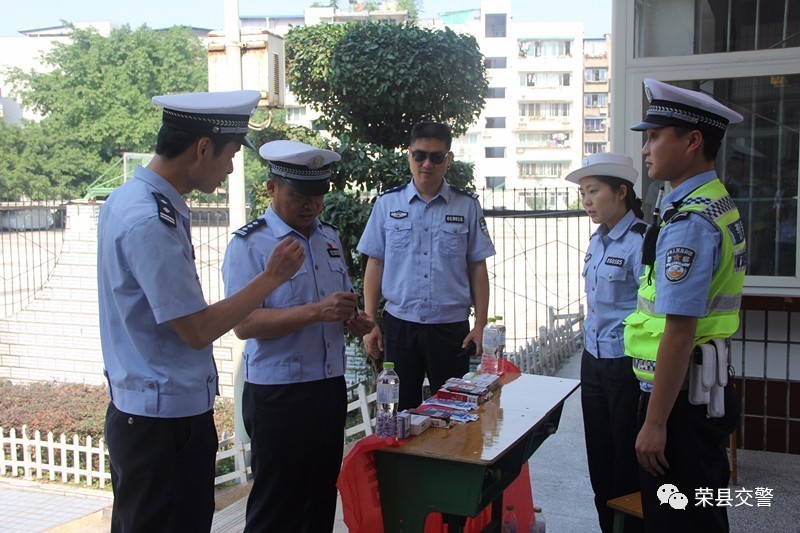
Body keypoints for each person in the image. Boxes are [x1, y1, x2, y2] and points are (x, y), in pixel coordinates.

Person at [97, 91, 305, 533]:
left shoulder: (130, 199)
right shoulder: (149, 220)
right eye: (230, 155)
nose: (231, 168)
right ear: (203, 148)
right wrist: (270, 278)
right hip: (161, 423)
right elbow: (195, 330)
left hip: (153, 413)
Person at [222, 140, 375, 532]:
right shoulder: (249, 244)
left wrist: (353, 320)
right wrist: (316, 312)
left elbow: (332, 307)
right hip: (279, 394)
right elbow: (244, 324)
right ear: (272, 188)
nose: (310, 206)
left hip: (326, 388)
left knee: (320, 500)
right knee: (277, 507)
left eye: (318, 196)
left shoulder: (328, 238)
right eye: (298, 196)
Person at [624, 78, 746, 532]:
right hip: (699, 390)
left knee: (678, 521)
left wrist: (655, 423)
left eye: (655, 136)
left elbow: (679, 328)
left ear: (692, 141)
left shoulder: (690, 220)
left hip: (678, 403)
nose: (646, 149)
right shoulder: (715, 203)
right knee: (701, 513)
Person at [357, 121, 496, 411]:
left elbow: (477, 268)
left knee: (454, 411)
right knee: (396, 411)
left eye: (436, 156)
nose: (427, 164)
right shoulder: (387, 203)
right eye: (419, 155)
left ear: (448, 160)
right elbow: (376, 262)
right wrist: (370, 322)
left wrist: (480, 324)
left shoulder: (466, 206)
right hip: (400, 325)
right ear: (409, 155)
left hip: (450, 329)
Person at [564, 153, 646, 533]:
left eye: (593, 191)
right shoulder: (597, 241)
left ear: (622, 192)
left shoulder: (641, 242)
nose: (586, 201)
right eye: (583, 193)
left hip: (625, 364)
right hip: (593, 361)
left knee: (625, 459)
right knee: (598, 455)